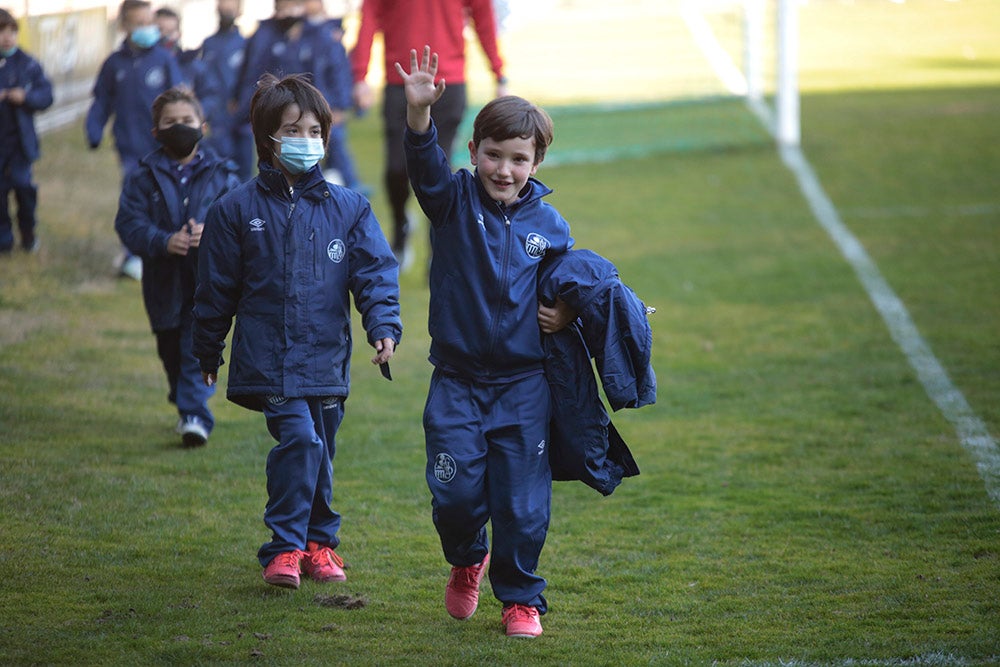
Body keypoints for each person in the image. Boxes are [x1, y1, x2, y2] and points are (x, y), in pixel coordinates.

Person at [192, 73, 401, 589]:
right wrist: (207, 351)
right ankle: (283, 547)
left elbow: (374, 273)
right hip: (268, 360)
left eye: (315, 131)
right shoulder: (234, 210)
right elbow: (215, 291)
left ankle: (318, 545)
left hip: (325, 359)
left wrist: (383, 326)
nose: (306, 140)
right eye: (294, 130)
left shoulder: (350, 208)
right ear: (268, 138)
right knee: (302, 442)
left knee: (321, 452)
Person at [398, 47, 576, 638]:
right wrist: (420, 117)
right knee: (454, 494)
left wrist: (565, 311)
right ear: (472, 153)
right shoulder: (452, 201)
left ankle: (521, 598)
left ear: (537, 160)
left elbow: (569, 282)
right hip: (456, 382)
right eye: (493, 155)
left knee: (524, 505)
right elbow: (424, 171)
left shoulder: (550, 227)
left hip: (525, 387)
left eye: (518, 159)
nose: (504, 169)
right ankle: (465, 558)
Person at [114, 86, 240, 447]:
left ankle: (196, 415)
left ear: (202, 125)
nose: (179, 127)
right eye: (170, 122)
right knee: (171, 349)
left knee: (194, 345)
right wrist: (162, 241)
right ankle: (184, 400)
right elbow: (129, 224)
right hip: (162, 282)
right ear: (156, 132)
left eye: (186, 121)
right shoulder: (142, 178)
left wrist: (212, 232)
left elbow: (240, 220)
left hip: (207, 281)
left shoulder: (223, 175)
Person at [350, 0, 508, 267]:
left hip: (449, 82)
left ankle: (439, 250)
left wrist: (499, 73)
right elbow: (369, 16)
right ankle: (400, 224)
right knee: (397, 169)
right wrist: (360, 76)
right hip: (401, 83)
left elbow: (483, 18)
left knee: (440, 172)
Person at [86, 0, 183, 280]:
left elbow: (178, 99)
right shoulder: (114, 64)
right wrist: (94, 130)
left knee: (164, 199)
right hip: (130, 148)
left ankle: (165, 249)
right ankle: (131, 256)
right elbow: (101, 102)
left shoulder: (164, 60)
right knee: (133, 200)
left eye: (149, 22)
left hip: (162, 147)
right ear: (124, 26)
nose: (146, 28)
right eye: (139, 23)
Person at [0, 8, 53, 254]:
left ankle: (28, 232)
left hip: (20, 144)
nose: (7, 37)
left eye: (12, 31)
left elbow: (46, 96)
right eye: (1, 32)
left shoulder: (28, 63)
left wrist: (26, 97)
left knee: (23, 187)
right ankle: (4, 240)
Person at [195, 0, 247, 164]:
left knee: (242, 169)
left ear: (239, 11)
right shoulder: (208, 44)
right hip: (214, 117)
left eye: (231, 7)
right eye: (223, 5)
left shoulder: (246, 45)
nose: (226, 10)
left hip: (240, 116)